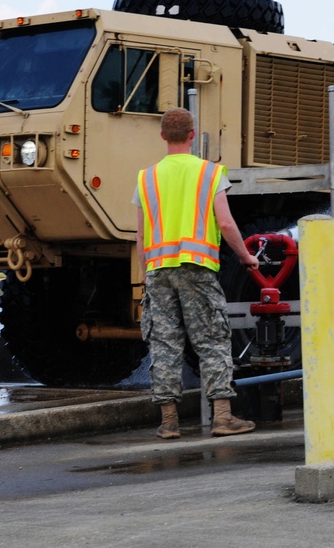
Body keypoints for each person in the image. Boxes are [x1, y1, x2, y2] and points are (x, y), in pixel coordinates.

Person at [134, 107, 261, 439]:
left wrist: (145, 277)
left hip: (158, 270)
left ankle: (168, 422)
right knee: (212, 340)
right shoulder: (210, 173)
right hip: (197, 266)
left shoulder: (146, 178)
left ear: (162, 136)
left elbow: (141, 237)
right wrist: (246, 256)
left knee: (164, 343)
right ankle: (222, 417)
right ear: (193, 135)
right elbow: (225, 222)